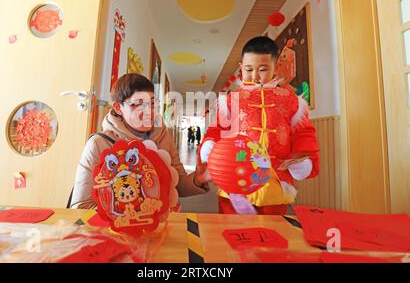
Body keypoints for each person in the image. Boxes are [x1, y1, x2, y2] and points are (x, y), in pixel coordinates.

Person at [199, 36, 319, 215]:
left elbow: (304, 134)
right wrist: (210, 144)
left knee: (272, 231)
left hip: (275, 179)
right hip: (235, 176)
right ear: (241, 67)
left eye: (262, 69)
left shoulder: (290, 101)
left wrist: (304, 161)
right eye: (248, 69)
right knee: (230, 231)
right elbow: (217, 130)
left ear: (276, 68)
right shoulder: (231, 100)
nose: (254, 76)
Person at [71, 74, 210, 209]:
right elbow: (81, 206)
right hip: (117, 230)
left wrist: (198, 178)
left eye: (152, 103)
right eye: (137, 104)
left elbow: (177, 184)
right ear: (118, 108)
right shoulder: (99, 144)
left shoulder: (163, 137)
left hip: (158, 227)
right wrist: (128, 213)